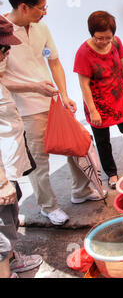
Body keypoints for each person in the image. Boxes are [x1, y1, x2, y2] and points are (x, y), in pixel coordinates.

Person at [1, 0, 106, 226]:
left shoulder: (41, 28)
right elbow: (1, 79)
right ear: (24, 7)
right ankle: (49, 207)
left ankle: (79, 191)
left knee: (76, 144)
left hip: (53, 102)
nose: (45, 12)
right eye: (41, 8)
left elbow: (55, 62)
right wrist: (33, 86)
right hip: (25, 108)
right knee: (39, 161)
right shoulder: (3, 32)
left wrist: (64, 94)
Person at [74, 11, 123, 189]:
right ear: (92, 33)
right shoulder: (83, 52)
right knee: (103, 141)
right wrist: (93, 110)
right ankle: (111, 174)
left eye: (108, 37)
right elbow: (84, 84)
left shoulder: (117, 43)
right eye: (99, 38)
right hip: (98, 103)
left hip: (119, 97)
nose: (104, 42)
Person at [0, 14, 43, 278]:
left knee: (9, 220)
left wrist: (36, 86)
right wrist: (1, 181)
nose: (5, 56)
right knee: (1, 240)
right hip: (1, 174)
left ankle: (12, 260)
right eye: (3, 50)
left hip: (9, 164)